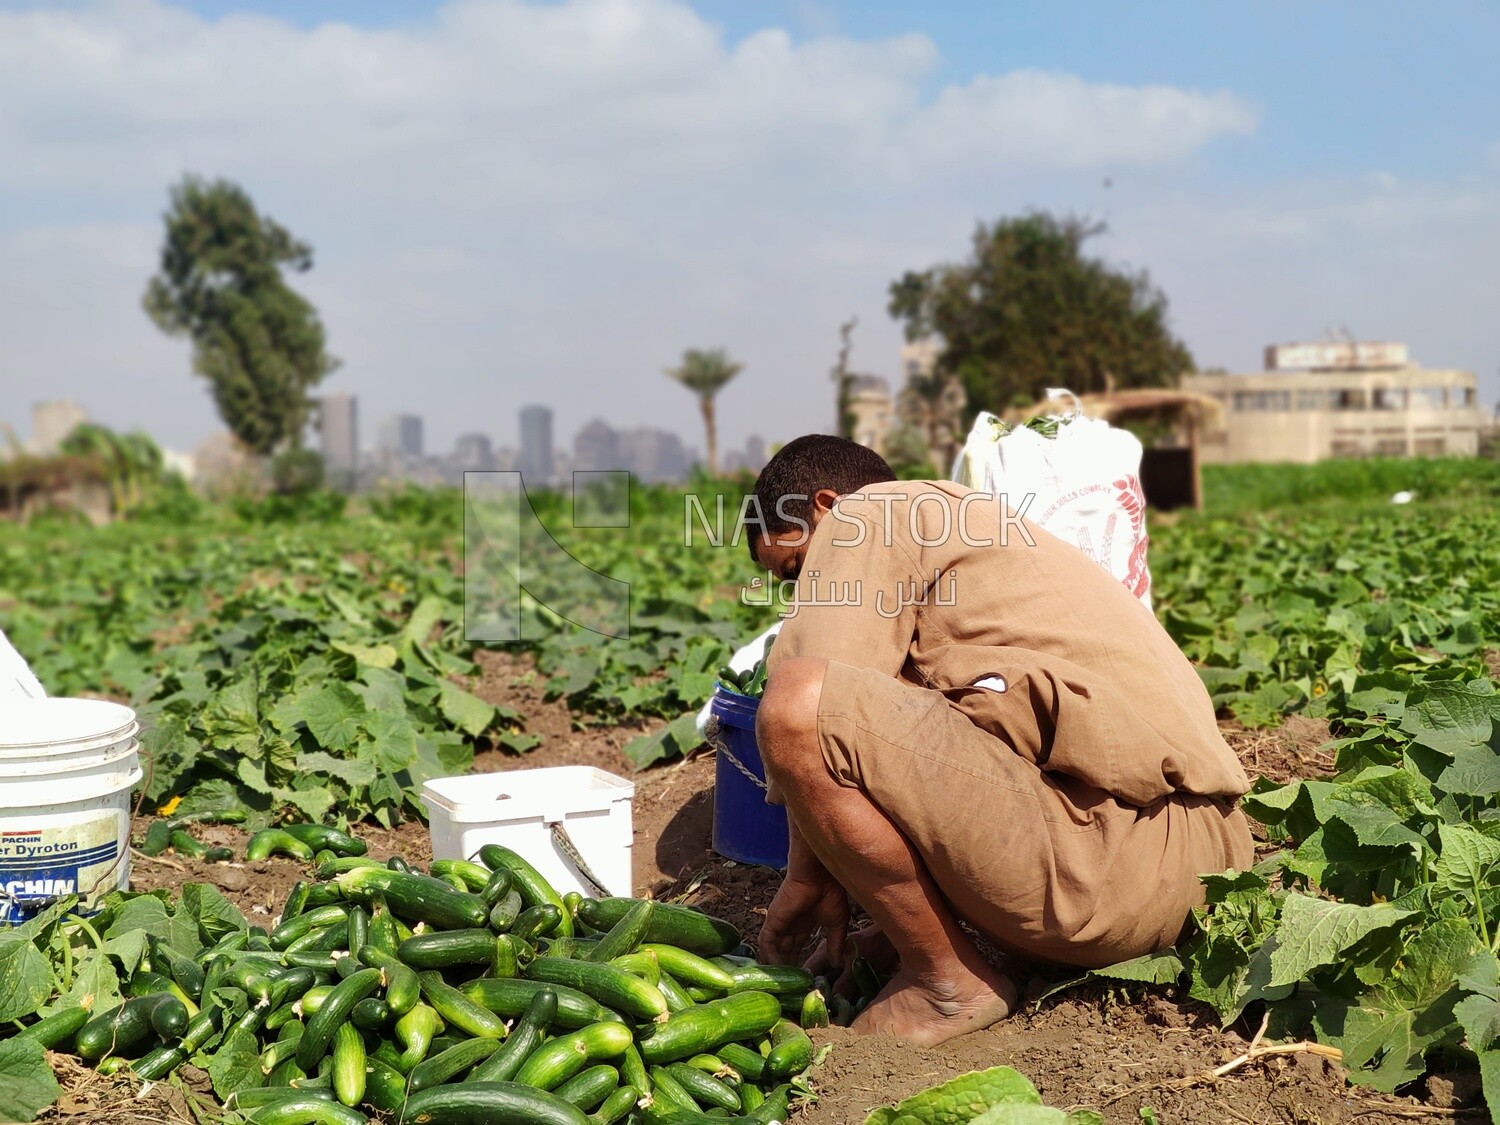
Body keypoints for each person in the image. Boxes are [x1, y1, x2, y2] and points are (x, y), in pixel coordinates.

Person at [747, 435, 1252, 1046]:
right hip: (1209, 868)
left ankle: (946, 985)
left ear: (825, 507)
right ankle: (923, 946)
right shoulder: (968, 532)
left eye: (796, 568)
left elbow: (814, 714)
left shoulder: (867, 514)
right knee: (882, 704)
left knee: (798, 706)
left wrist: (808, 879)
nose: (800, 592)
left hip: (1123, 861)